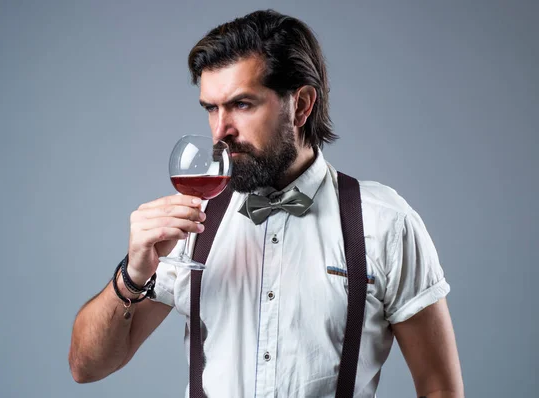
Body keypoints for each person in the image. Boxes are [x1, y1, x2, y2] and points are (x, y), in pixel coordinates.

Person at [68, 9, 464, 398]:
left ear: (302, 105)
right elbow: (87, 367)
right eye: (210, 108)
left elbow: (440, 387)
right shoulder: (193, 222)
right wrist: (133, 275)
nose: (220, 131)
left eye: (242, 105)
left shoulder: (385, 224)